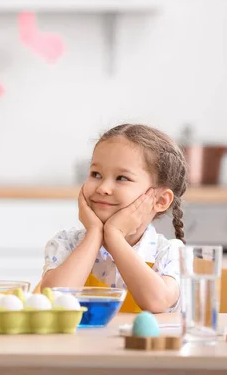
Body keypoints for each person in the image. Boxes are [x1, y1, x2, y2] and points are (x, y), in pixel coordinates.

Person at [40, 124, 187, 313]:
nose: (103, 188)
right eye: (96, 174)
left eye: (122, 178)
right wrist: (94, 234)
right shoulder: (66, 243)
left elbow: (157, 302)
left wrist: (114, 236)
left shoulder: (168, 252)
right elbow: (55, 299)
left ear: (160, 200)